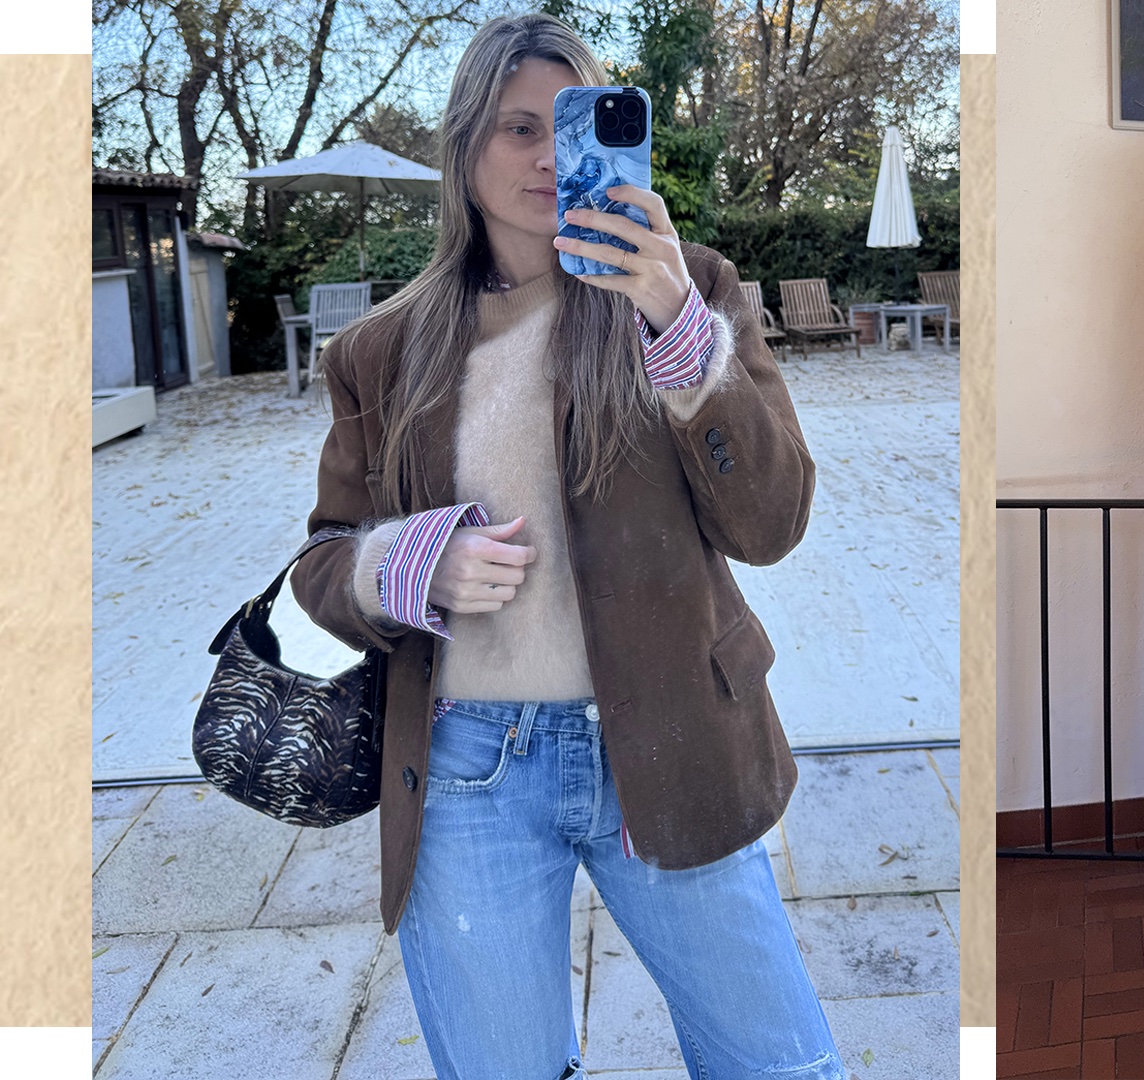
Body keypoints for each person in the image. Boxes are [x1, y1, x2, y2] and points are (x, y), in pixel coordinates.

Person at [290, 13, 843, 1080]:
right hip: (466, 769)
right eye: (516, 128)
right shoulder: (381, 351)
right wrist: (412, 563)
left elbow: (772, 522)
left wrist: (676, 322)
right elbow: (324, 564)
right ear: (464, 150)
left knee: (784, 1068)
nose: (550, 156)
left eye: (577, 123)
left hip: (674, 739)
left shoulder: (696, 292)